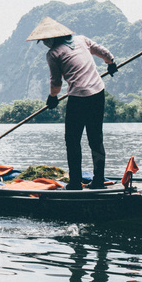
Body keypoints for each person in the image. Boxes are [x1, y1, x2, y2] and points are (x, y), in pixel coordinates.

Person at [26, 17, 118, 190]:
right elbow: (104, 53)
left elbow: (56, 83)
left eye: (45, 40)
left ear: (52, 38)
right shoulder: (82, 40)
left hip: (78, 98)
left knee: (72, 140)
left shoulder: (53, 54)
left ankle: (75, 182)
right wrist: (111, 64)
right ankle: (99, 181)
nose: (45, 43)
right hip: (98, 93)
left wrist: (52, 97)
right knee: (95, 138)